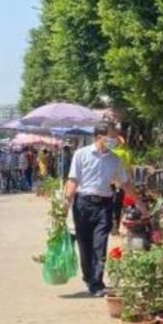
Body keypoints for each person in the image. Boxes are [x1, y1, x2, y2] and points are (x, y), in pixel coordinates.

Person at [63, 124, 148, 296]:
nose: (115, 140)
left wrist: (139, 202)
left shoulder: (115, 160)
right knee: (84, 244)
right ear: (99, 136)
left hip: (105, 204)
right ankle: (89, 276)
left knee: (100, 243)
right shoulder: (81, 154)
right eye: (112, 136)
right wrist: (65, 205)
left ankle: (97, 282)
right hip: (83, 204)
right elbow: (73, 180)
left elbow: (125, 183)